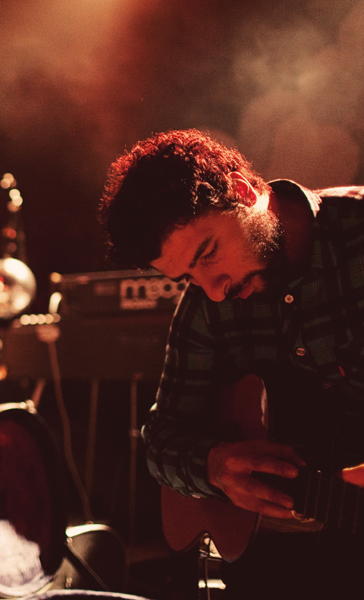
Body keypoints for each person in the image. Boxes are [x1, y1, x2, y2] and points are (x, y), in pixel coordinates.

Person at [98, 129, 364, 598]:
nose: (215, 290)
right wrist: (216, 466)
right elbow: (161, 443)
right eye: (188, 276)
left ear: (243, 192)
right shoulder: (206, 304)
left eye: (208, 253)